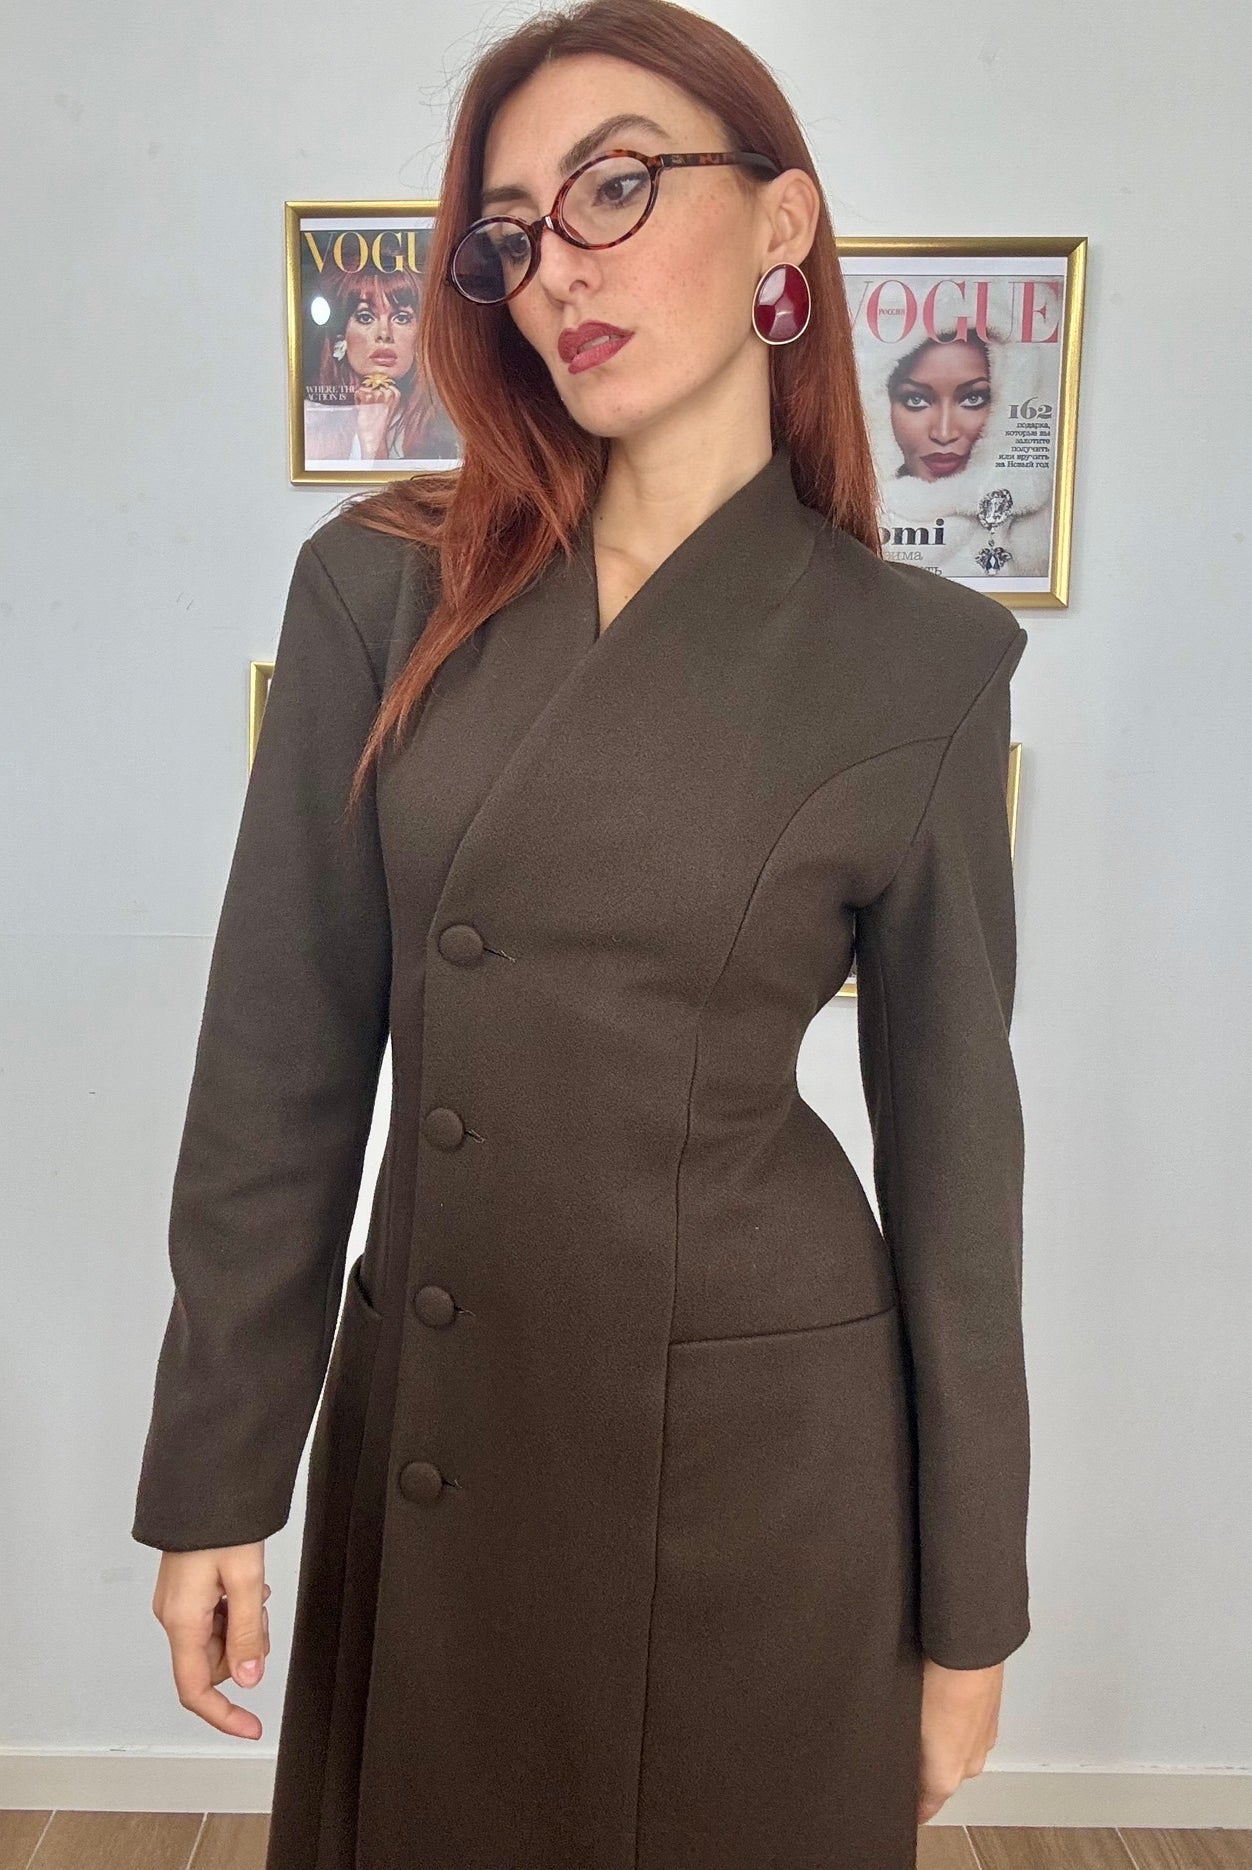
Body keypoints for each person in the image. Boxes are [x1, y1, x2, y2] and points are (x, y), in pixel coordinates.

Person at [131, 2, 1032, 1865]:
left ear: (782, 221)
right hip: (449, 1410)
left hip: (766, 1463)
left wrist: (970, 1607)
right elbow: (281, 1061)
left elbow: (959, 1168)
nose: (557, 267)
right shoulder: (385, 587)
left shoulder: (923, 662)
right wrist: (219, 1469)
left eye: (615, 187)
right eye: (511, 231)